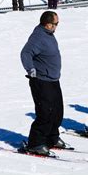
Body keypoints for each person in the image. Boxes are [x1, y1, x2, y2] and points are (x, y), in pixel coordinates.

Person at [21, 11, 65, 156]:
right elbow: (25, 53)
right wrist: (31, 69)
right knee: (45, 113)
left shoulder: (48, 34)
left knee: (57, 112)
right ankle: (35, 143)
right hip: (41, 81)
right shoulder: (38, 37)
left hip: (53, 80)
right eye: (56, 24)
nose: (57, 26)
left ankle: (51, 138)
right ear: (48, 24)